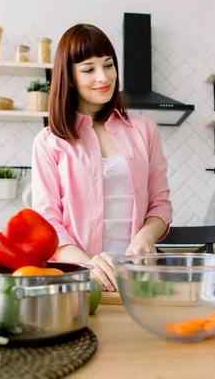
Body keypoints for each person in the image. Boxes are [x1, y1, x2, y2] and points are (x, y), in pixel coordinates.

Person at [31, 24, 172, 292]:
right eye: (89, 69)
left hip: (137, 279)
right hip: (76, 280)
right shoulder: (49, 141)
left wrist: (146, 235)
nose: (103, 77)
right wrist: (89, 266)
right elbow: (46, 221)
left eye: (108, 65)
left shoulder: (144, 130)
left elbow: (160, 204)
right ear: (70, 77)